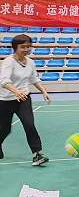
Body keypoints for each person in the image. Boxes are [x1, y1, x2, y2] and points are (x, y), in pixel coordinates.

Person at [0, 34, 51, 165]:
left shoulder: (30, 62)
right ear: (15, 48)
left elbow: (34, 79)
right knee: (5, 129)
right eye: (22, 47)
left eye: (28, 46)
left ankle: (36, 154)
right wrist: (15, 91)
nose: (26, 49)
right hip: (5, 100)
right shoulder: (8, 62)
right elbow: (4, 81)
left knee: (29, 124)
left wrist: (44, 91)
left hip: (23, 99)